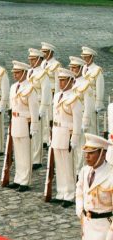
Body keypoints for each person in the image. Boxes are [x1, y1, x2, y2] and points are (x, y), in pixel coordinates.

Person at [51, 68, 82, 208]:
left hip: (67, 133)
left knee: (68, 165)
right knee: (59, 164)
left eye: (64, 80)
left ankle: (70, 194)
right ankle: (61, 192)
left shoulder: (75, 98)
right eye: (60, 80)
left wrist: (74, 138)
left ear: (71, 81)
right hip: (57, 132)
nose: (61, 83)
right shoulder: (57, 96)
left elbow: (77, 121)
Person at [6, 61, 38, 192]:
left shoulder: (30, 88)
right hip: (15, 121)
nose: (15, 75)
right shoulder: (13, 87)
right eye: (14, 73)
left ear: (24, 72)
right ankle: (18, 178)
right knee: (18, 153)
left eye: (18, 72)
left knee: (25, 153)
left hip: (25, 122)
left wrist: (34, 126)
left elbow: (34, 110)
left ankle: (25, 180)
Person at [27, 48, 50, 170]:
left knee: (37, 133)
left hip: (38, 104)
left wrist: (42, 109)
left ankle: (37, 159)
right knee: (29, 133)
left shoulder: (43, 74)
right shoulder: (29, 72)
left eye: (33, 59)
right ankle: (30, 156)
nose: (30, 61)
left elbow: (46, 93)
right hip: (28, 106)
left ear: (39, 60)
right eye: (30, 59)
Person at [81, 46, 105, 136]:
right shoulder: (81, 68)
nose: (85, 59)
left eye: (87, 57)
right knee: (83, 122)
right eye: (84, 57)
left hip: (93, 100)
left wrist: (98, 104)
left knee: (92, 124)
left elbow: (100, 87)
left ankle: (94, 144)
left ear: (92, 57)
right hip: (82, 100)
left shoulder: (97, 70)